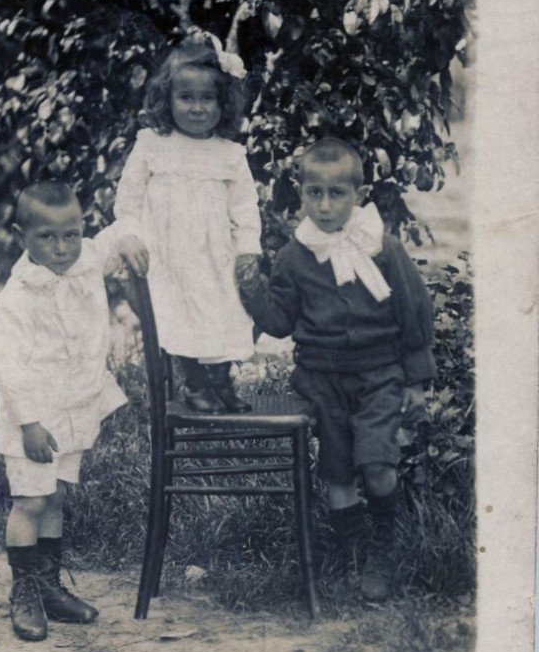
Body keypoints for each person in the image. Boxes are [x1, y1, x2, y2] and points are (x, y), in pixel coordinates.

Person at [236, 137, 434, 601]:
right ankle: (355, 553)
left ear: (358, 195)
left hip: (379, 375)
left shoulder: (382, 247)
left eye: (337, 193)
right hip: (322, 380)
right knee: (339, 474)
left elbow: (414, 312)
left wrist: (417, 382)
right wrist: (253, 291)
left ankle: (383, 544)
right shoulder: (294, 254)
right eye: (314, 193)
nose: (325, 206)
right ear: (301, 194)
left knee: (378, 464)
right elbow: (281, 322)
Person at [0, 180, 148, 641]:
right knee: (31, 500)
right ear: (23, 237)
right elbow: (8, 365)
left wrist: (130, 240)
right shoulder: (18, 297)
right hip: (32, 415)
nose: (61, 248)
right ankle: (25, 590)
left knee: (55, 497)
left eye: (70, 235)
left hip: (72, 408)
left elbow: (116, 237)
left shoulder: (87, 261)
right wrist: (29, 423)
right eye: (47, 237)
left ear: (81, 231)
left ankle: (50, 586)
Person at [114, 35, 262, 413]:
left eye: (207, 99)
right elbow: (128, 201)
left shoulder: (230, 155)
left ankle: (221, 382)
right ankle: (194, 382)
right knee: (180, 315)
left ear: (222, 102)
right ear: (168, 98)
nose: (197, 108)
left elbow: (246, 210)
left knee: (226, 310)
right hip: (168, 259)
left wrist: (248, 250)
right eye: (186, 98)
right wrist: (130, 235)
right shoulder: (152, 145)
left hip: (215, 258)